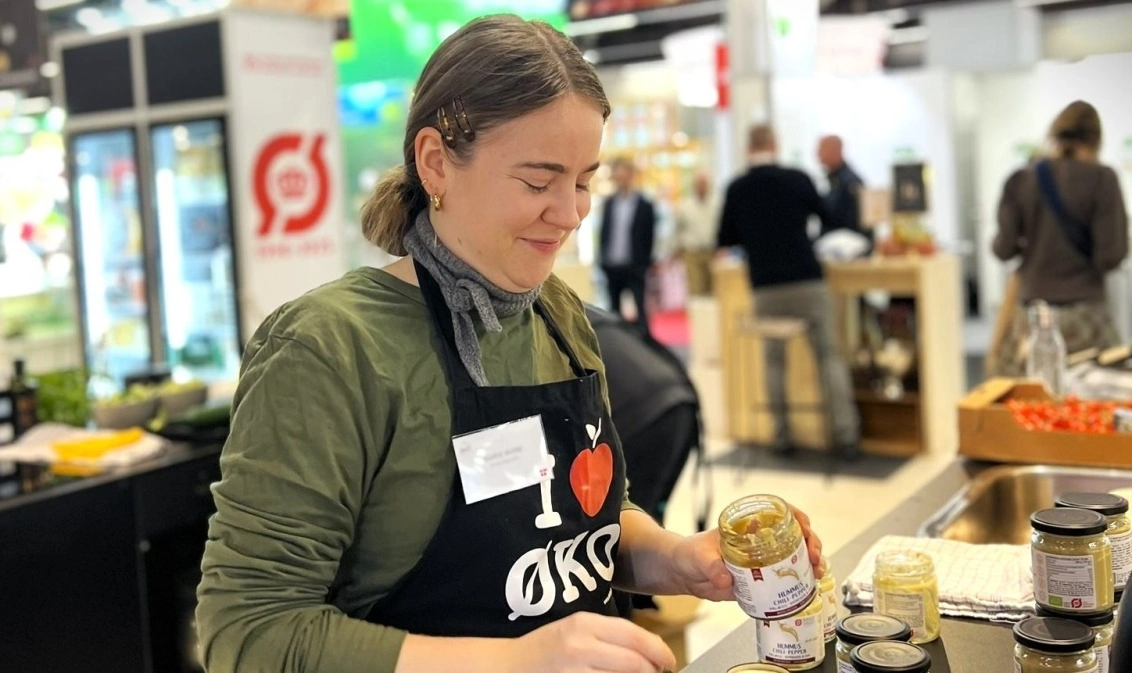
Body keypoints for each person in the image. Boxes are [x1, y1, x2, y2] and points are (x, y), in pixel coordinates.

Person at [196, 16, 824, 673]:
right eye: (537, 181)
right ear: (436, 162)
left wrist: (677, 558)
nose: (572, 212)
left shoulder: (557, 315)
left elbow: (589, 523)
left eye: (583, 181)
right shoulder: (330, 350)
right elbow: (249, 631)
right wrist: (512, 660)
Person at [717, 124, 861, 459]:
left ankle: (782, 437)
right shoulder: (798, 179)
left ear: (748, 148)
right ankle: (846, 436)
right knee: (829, 356)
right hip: (808, 280)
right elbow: (829, 218)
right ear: (775, 144)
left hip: (766, 288)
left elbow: (725, 239)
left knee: (774, 361)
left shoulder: (737, 188)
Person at [991, 101, 1129, 376]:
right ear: (1095, 140)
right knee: (1090, 407)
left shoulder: (1021, 179)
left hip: (1030, 318)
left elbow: (1003, 249)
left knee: (1028, 408)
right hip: (1086, 317)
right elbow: (1111, 256)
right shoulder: (1102, 179)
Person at [598, 157, 657, 334]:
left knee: (641, 309)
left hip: (635, 266)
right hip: (612, 265)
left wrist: (645, 263)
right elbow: (605, 232)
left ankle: (646, 346)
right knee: (614, 312)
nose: (620, 179)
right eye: (617, 175)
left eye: (623, 175)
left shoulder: (644, 205)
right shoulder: (609, 203)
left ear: (631, 176)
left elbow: (649, 236)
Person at [670, 172, 719, 296]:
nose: (702, 187)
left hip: (712, 252)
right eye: (699, 184)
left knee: (713, 290)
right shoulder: (685, 205)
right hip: (692, 252)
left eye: (704, 184)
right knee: (696, 291)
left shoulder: (716, 204)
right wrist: (676, 249)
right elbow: (677, 229)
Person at [817, 135, 866, 236]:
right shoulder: (832, 179)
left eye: (822, 150)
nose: (818, 155)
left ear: (836, 151)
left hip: (845, 242)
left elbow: (850, 222)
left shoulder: (850, 182)